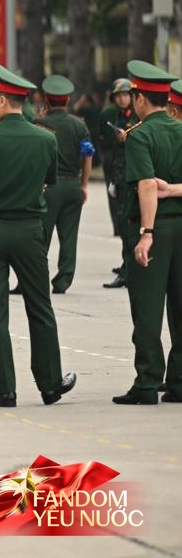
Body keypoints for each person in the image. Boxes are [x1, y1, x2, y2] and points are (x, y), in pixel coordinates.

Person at [0, 62, 75, 407]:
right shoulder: (46, 139)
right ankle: (50, 384)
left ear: (2, 100)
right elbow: (48, 182)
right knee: (40, 307)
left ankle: (5, 390)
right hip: (29, 229)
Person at [113, 61, 182, 405]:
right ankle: (179, 382)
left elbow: (146, 185)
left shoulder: (140, 135)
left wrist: (147, 232)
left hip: (156, 227)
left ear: (139, 99)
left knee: (147, 309)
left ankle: (148, 382)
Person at [34, 75, 93, 294]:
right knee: (69, 236)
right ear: (67, 100)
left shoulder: (39, 123)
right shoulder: (79, 125)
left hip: (47, 188)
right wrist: (83, 184)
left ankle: (34, 277)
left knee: (40, 235)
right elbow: (87, 156)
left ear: (46, 100)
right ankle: (63, 280)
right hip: (72, 186)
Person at [101, 79, 136, 289]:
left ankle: (128, 270)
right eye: (119, 95)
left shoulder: (137, 118)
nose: (122, 99)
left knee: (127, 223)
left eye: (125, 95)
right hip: (119, 174)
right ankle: (127, 266)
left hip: (131, 176)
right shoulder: (116, 116)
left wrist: (128, 138)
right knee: (122, 223)